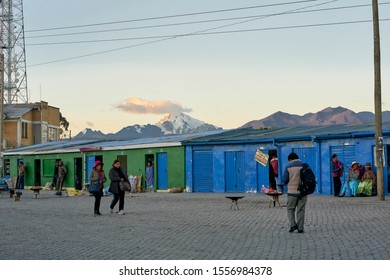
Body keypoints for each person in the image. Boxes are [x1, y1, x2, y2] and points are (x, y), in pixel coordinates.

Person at [282, 152, 308, 233]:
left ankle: (293, 225)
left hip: (292, 193)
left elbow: (285, 180)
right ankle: (300, 228)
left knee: (290, 209)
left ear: (290, 159)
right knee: (301, 210)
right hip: (303, 192)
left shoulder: (288, 167)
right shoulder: (304, 166)